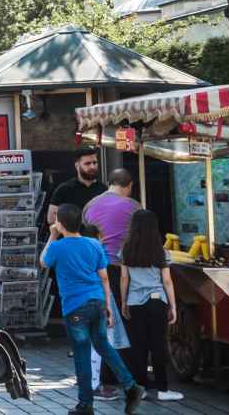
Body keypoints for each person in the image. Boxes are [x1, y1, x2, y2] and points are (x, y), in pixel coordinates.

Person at [42, 203, 143, 415]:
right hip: (96, 301)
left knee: (82, 355)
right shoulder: (94, 244)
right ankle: (130, 385)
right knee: (104, 346)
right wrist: (108, 306)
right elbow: (104, 277)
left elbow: (43, 261)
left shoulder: (58, 247)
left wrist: (52, 236)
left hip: (75, 306)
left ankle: (85, 403)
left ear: (60, 224)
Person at [83, 168, 140, 396]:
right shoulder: (134, 206)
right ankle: (114, 378)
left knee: (103, 323)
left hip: (93, 268)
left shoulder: (90, 205)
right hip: (119, 270)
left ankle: (103, 378)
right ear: (129, 185)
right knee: (121, 324)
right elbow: (140, 237)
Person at [119, 209, 182, 402]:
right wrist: (173, 306)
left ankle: (141, 388)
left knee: (139, 346)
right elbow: (167, 280)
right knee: (158, 344)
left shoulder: (125, 251)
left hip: (135, 302)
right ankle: (163, 389)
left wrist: (123, 302)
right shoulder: (161, 252)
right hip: (157, 301)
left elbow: (124, 279)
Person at [49, 146, 107, 227]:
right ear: (77, 166)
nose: (92, 167)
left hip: (97, 238)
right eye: (87, 163)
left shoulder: (103, 190)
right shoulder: (64, 189)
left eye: (95, 162)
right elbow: (51, 219)